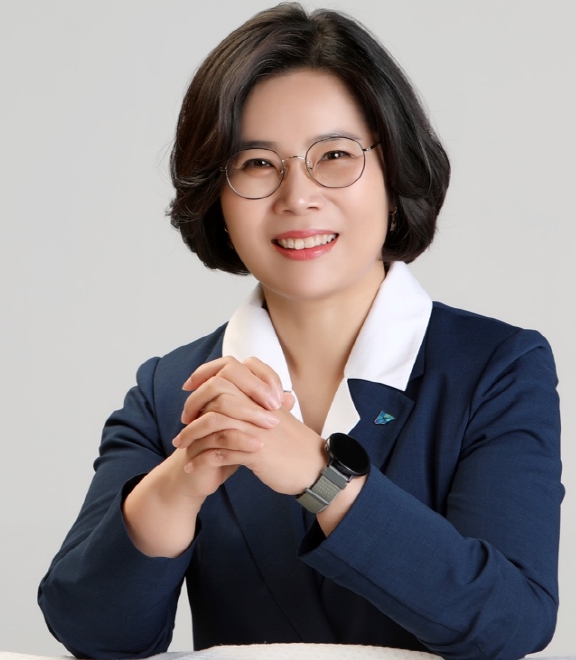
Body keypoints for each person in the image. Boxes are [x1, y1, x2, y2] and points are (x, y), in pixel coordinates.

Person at [38, 4, 563, 660]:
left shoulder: (496, 368)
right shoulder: (170, 392)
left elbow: (512, 621)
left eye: (335, 155)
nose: (297, 197)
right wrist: (183, 478)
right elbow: (92, 631)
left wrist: (320, 476)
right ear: (217, 197)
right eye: (257, 164)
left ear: (394, 170)